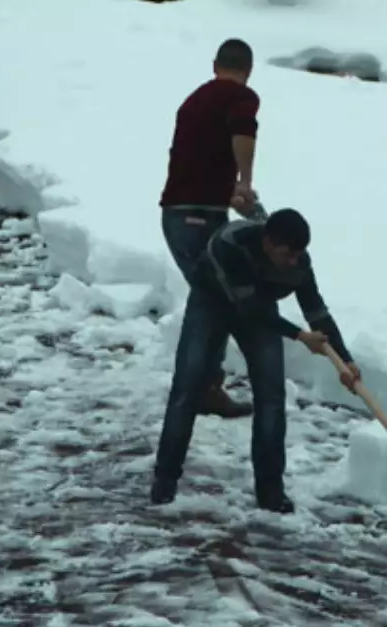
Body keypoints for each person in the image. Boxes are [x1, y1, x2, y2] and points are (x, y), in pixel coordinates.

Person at [151, 208, 362, 513]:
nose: (294, 261)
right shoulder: (231, 243)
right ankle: (165, 480)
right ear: (268, 243)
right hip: (211, 302)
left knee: (272, 394)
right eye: (288, 254)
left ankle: (270, 491)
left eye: (298, 255)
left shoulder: (298, 262)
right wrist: (300, 337)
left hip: (258, 307)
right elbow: (249, 309)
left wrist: (345, 362)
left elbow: (316, 311)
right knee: (188, 384)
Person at [158, 37, 265, 419]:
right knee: (213, 298)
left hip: (178, 212)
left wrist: (227, 194)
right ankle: (193, 394)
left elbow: (196, 161)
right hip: (198, 216)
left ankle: (205, 388)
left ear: (214, 64)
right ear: (247, 70)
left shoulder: (192, 101)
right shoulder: (241, 97)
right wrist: (244, 183)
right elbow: (243, 133)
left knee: (213, 297)